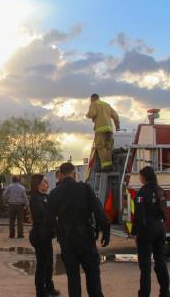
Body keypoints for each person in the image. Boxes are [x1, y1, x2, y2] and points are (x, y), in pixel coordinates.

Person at [42, 162, 110, 297]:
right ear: (74, 174)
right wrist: (106, 231)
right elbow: (99, 211)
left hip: (67, 241)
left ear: (60, 175)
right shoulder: (85, 188)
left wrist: (53, 235)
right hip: (86, 239)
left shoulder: (54, 193)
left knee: (73, 278)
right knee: (93, 275)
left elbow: (49, 220)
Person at [131, 166, 170, 297]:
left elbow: (139, 215)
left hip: (147, 230)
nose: (139, 178)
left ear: (143, 177)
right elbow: (164, 211)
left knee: (145, 267)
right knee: (161, 263)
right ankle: (165, 293)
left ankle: (144, 294)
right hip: (160, 228)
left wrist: (135, 233)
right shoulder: (161, 190)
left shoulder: (141, 193)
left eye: (140, 176)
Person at [29, 174, 60, 297]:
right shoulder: (35, 198)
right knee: (42, 263)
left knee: (48, 262)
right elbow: (42, 215)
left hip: (46, 235)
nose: (46, 184)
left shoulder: (45, 196)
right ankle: (40, 291)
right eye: (44, 182)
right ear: (38, 184)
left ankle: (49, 287)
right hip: (39, 235)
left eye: (47, 182)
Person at [86, 93, 120, 171]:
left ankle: (105, 166)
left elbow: (92, 113)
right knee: (108, 147)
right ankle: (109, 165)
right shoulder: (107, 105)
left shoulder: (94, 104)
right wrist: (117, 125)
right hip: (109, 129)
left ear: (92, 99)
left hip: (100, 129)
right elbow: (115, 116)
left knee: (100, 147)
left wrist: (87, 115)